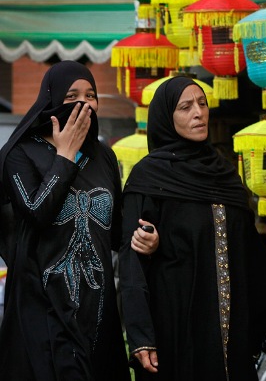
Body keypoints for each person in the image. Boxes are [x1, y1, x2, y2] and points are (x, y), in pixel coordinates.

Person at [119, 76, 266, 381]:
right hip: (177, 323)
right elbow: (131, 263)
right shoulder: (149, 177)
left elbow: (251, 254)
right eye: (185, 107)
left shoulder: (224, 173)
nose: (198, 113)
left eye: (201, 104)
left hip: (232, 328)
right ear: (166, 117)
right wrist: (141, 335)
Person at [0, 60, 158, 381]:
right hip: (43, 305)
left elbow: (114, 233)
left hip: (97, 307)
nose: (83, 103)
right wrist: (64, 156)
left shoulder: (104, 156)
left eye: (90, 95)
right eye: (71, 95)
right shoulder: (20, 153)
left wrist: (142, 238)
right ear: (51, 99)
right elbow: (36, 210)